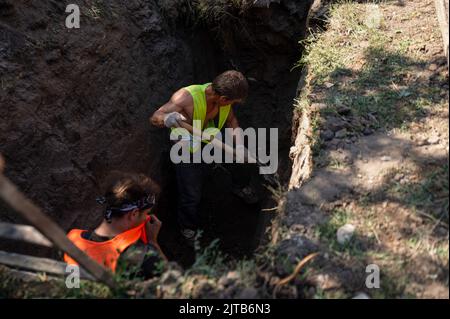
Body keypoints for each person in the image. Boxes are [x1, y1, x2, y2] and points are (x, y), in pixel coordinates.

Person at [150, 70, 258, 247]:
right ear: (223, 98)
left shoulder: (223, 100)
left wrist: (239, 146)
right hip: (186, 149)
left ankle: (241, 187)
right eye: (232, 102)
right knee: (191, 194)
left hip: (210, 138)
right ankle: (188, 227)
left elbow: (231, 122)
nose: (233, 105)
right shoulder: (185, 97)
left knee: (238, 162)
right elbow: (155, 117)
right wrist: (167, 118)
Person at [64, 172, 167, 279]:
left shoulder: (72, 239)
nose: (147, 218)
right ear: (134, 214)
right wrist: (153, 242)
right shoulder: (142, 255)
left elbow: (71, 286)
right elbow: (173, 284)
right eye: (147, 213)